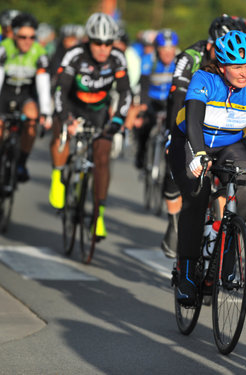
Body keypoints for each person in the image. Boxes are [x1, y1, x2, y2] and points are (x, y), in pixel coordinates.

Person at [169, 30, 246, 306]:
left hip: (230, 144)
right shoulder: (204, 79)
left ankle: (223, 252)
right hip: (190, 140)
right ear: (222, 66)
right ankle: (186, 273)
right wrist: (199, 155)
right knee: (196, 197)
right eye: (237, 66)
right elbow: (194, 122)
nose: (245, 72)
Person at [160, 15, 244, 259]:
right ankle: (175, 223)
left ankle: (215, 239)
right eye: (219, 51)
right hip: (188, 115)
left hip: (222, 123)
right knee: (177, 164)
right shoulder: (190, 57)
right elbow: (177, 99)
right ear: (210, 46)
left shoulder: (242, 59)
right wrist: (172, 137)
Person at [48, 12, 132, 239]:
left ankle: (98, 215)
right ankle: (58, 177)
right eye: (98, 43)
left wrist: (117, 121)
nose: (103, 48)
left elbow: (125, 92)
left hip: (99, 112)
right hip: (73, 107)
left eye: (108, 43)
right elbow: (59, 91)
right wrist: (66, 119)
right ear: (88, 40)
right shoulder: (74, 55)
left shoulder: (118, 58)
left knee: (103, 156)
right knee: (60, 130)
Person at [0, 12, 52, 182]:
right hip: (4, 92)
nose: (27, 41)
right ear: (14, 34)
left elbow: (43, 84)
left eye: (32, 37)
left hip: (25, 94)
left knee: (32, 119)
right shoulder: (4, 48)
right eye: (23, 37)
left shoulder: (39, 52)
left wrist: (45, 112)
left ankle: (21, 162)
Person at [134, 28, 179, 169]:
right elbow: (144, 85)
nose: (167, 52)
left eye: (171, 48)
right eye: (163, 48)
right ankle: (141, 153)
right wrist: (143, 106)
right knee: (145, 125)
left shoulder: (180, 61)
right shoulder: (149, 61)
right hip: (152, 99)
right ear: (157, 49)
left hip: (171, 100)